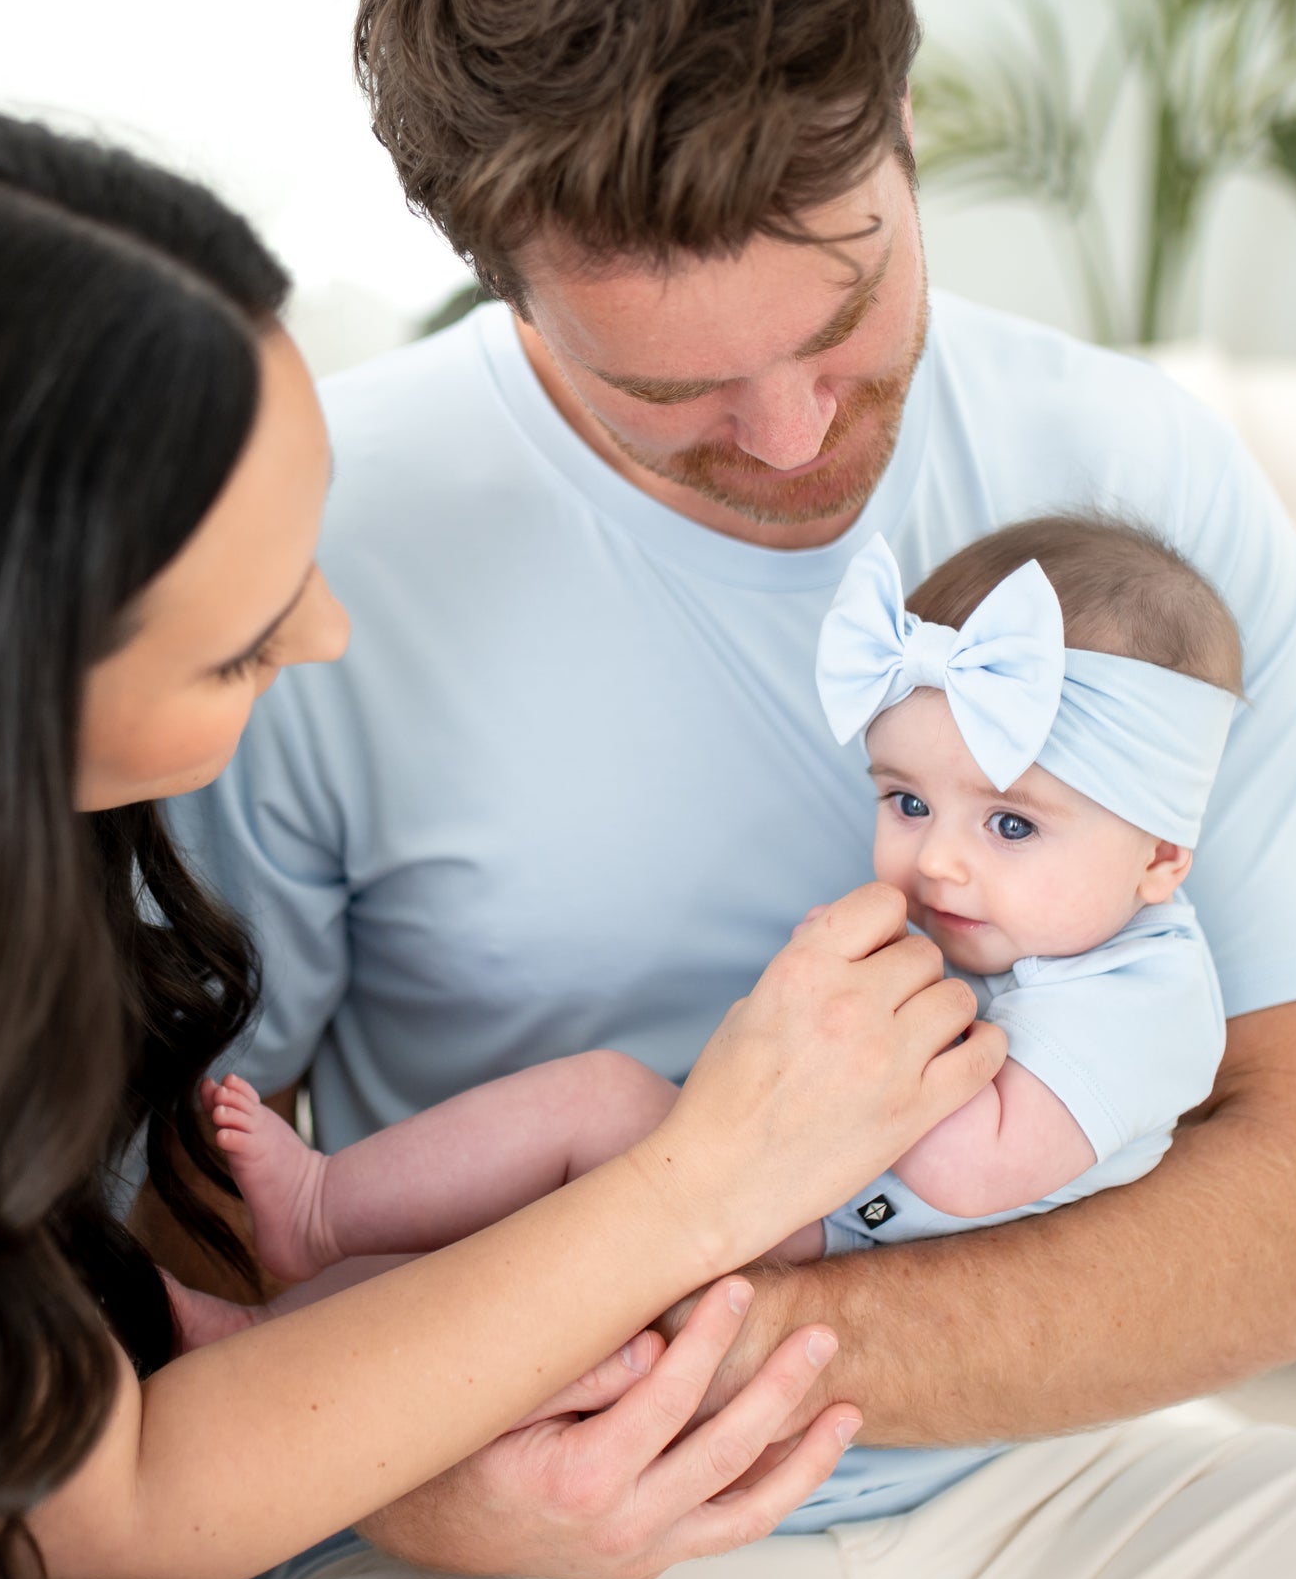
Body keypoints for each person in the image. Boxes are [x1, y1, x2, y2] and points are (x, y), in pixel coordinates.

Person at [161, 0, 1296, 1579]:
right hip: (515, 1535)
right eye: (669, 385)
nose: (788, 437)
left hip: (1058, 1477)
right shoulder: (311, 548)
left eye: (845, 311)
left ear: (905, 123)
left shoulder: (1144, 489)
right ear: (502, 280)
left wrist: (684, 1359)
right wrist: (442, 1464)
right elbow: (157, 1203)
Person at [0, 105, 1002, 1579]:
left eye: (307, 553)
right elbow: (109, 1509)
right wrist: (703, 1177)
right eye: (239, 646)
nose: (326, 635)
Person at [164, 512, 1236, 1352]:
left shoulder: (1148, 1006)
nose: (938, 862)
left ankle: (317, 1230)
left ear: (1160, 857)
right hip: (791, 1190)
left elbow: (964, 1171)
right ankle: (284, 1315)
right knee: (509, 1236)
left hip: (823, 1241)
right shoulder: (1042, 932)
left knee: (585, 1140)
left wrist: (843, 1007)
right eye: (908, 803)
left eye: (1009, 824)